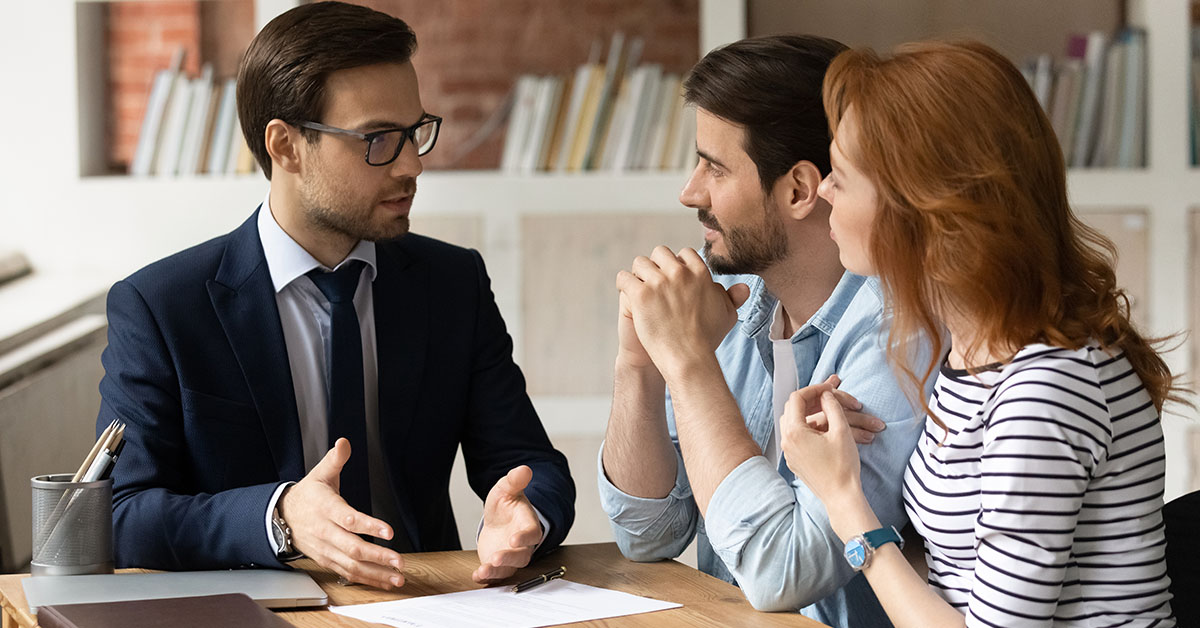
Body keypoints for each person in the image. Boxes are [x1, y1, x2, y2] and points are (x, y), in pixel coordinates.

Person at [97, 1, 574, 589]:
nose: (411, 166)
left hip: (428, 603)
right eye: (377, 139)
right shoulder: (162, 306)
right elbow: (122, 515)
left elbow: (531, 463)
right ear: (286, 146)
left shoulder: (453, 284)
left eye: (414, 133)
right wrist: (279, 518)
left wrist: (528, 517)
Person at [781, 40, 1180, 626]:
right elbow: (960, 576)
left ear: (924, 208)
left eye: (841, 175)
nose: (824, 193)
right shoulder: (972, 351)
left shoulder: (1047, 388)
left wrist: (842, 498)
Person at [598, 35, 928, 625]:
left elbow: (785, 573)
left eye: (713, 167)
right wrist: (640, 366)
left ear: (800, 189)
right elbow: (647, 535)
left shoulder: (897, 332)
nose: (689, 192)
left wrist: (689, 364)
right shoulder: (738, 309)